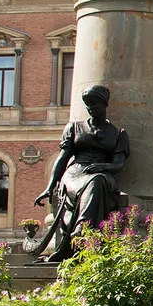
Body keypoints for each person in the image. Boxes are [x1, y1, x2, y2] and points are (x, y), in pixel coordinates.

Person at [35, 84, 130, 261]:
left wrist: (102, 167)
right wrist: (50, 186)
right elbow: (63, 159)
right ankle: (83, 231)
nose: (90, 108)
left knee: (97, 181)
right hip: (75, 174)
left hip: (103, 173)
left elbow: (118, 164)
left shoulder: (118, 134)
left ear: (104, 104)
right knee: (95, 181)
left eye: (94, 103)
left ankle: (82, 227)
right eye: (87, 104)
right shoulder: (74, 128)